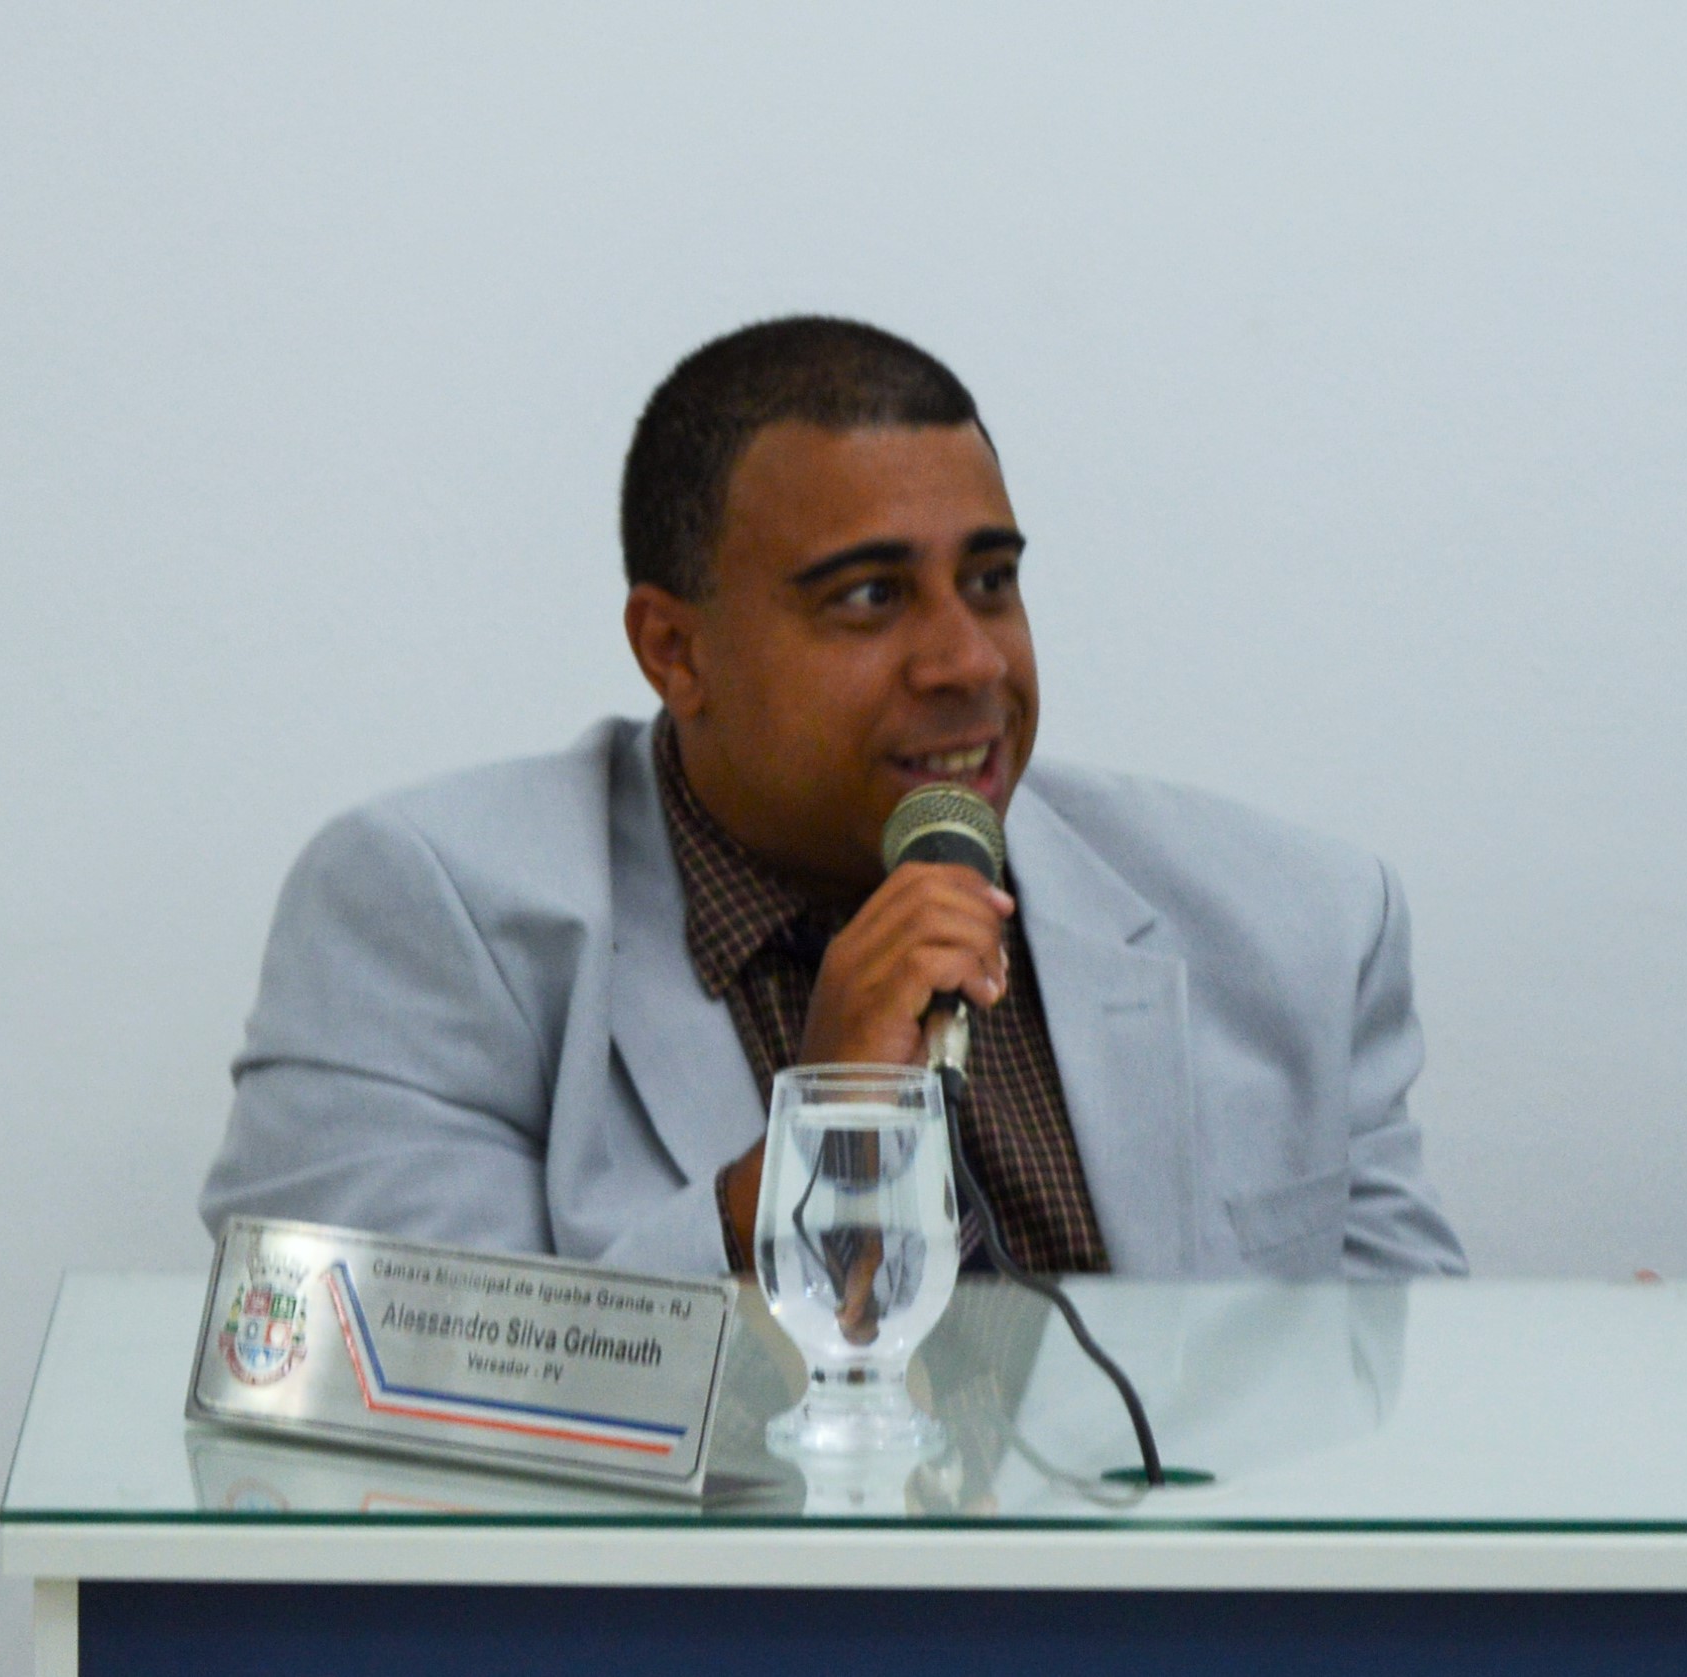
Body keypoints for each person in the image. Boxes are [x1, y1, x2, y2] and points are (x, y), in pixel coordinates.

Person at [200, 316, 1466, 1281]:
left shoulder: (1299, 924)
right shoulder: (427, 911)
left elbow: (1415, 1408)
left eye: (990, 582)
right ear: (674, 651)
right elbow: (365, 1375)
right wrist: (819, 1147)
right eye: (868, 598)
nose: (967, 662)